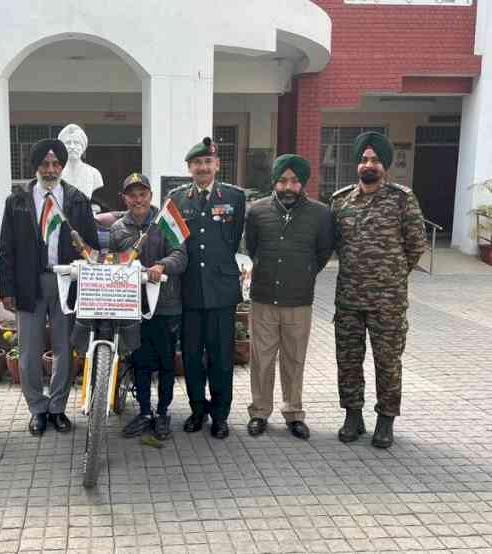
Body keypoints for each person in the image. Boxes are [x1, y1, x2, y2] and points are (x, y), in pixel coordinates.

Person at [332, 131, 426, 449]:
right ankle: (353, 416)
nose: (368, 164)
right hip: (348, 300)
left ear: (384, 165)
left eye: (374, 160)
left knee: (387, 362)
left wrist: (392, 278)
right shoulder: (340, 201)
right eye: (363, 159)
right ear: (357, 164)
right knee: (348, 360)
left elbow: (416, 246)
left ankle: (386, 420)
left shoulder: (402, 199)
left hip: (388, 302)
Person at [0, 139, 99, 436]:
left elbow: (90, 247)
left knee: (64, 349)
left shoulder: (77, 199)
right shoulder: (17, 200)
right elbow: (6, 249)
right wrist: (7, 289)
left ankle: (57, 408)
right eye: (45, 164)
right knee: (28, 352)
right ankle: (37, 409)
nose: (51, 169)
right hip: (29, 283)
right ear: (35, 167)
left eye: (56, 164)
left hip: (66, 283)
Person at [244, 155, 334, 440]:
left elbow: (322, 253)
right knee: (262, 359)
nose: (288, 186)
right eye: (283, 180)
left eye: (294, 181)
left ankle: (293, 413)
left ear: (302, 183)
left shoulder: (320, 214)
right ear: (274, 181)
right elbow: (252, 248)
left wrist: (304, 273)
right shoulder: (256, 211)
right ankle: (259, 411)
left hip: (299, 300)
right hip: (264, 298)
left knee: (294, 359)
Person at [169, 137, 246, 439]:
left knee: (221, 356)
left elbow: (236, 236)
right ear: (189, 168)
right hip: (189, 291)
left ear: (216, 165)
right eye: (197, 163)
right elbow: (173, 240)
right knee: (190, 355)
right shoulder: (177, 198)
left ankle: (221, 414)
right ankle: (197, 409)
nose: (203, 167)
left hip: (221, 290)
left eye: (207, 162)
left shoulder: (234, 197)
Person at [110, 173, 187, 440]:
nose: (137, 199)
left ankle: (163, 412)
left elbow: (181, 255)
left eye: (142, 194)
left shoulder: (165, 220)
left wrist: (161, 265)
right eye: (132, 194)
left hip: (166, 305)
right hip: (133, 306)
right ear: (125, 198)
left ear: (150, 196)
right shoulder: (118, 228)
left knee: (166, 363)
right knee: (140, 363)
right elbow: (113, 261)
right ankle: (144, 412)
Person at [58, 124, 104, 200]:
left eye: (76, 143)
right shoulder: (56, 173)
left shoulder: (94, 174)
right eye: (68, 143)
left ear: (82, 147)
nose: (72, 147)